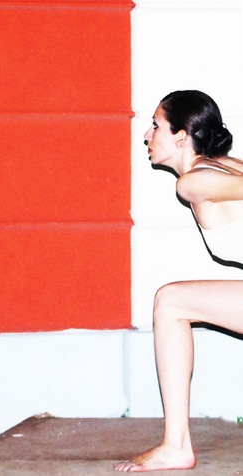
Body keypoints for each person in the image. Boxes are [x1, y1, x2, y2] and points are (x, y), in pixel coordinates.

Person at [114, 90, 243, 472]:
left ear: (182, 137)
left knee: (170, 302)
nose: (146, 135)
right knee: (171, 301)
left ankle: (176, 446)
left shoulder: (193, 182)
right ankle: (175, 445)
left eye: (156, 126)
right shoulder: (222, 167)